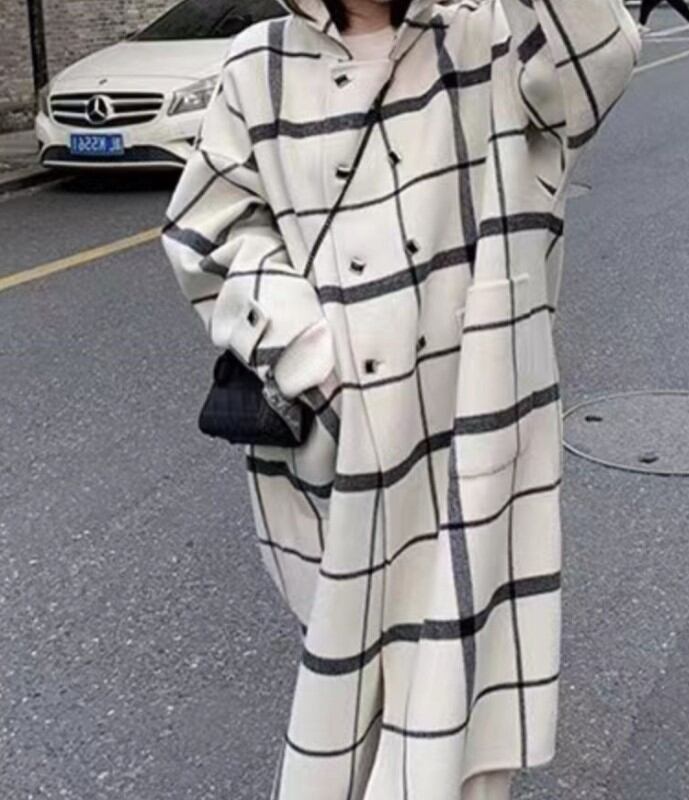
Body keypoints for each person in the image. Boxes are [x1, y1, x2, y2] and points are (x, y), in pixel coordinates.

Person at [162, 0, 638, 795]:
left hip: (471, 432)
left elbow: (598, 63)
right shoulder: (259, 62)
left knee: (455, 697)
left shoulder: (489, 36)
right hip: (334, 445)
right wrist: (311, 355)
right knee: (353, 690)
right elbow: (209, 227)